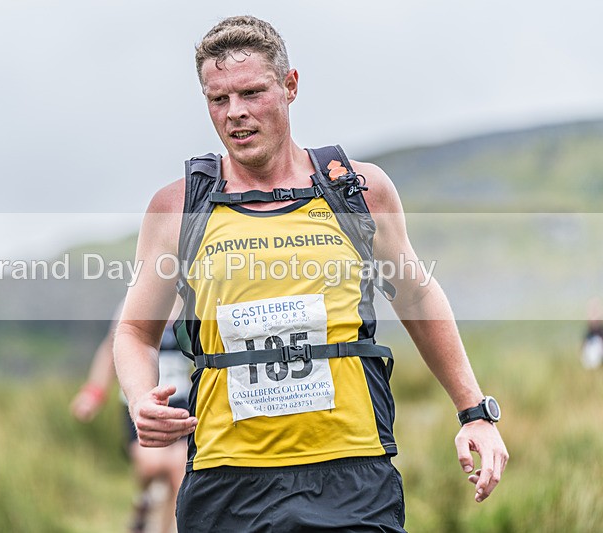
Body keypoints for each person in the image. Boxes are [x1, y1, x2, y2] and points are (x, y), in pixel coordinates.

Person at [113, 15, 508, 531]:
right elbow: (134, 332)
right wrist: (141, 398)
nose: (236, 113)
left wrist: (473, 411)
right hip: (228, 481)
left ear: (290, 86)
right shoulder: (178, 208)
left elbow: (416, 296)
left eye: (252, 92)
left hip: (351, 474)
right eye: (218, 99)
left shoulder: (358, 190)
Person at [71, 300, 190, 533]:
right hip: (141, 400)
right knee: (152, 465)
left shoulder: (190, 302)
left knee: (180, 470)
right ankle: (143, 500)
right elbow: (110, 351)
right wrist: (93, 393)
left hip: (179, 399)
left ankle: (169, 527)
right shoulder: (137, 301)